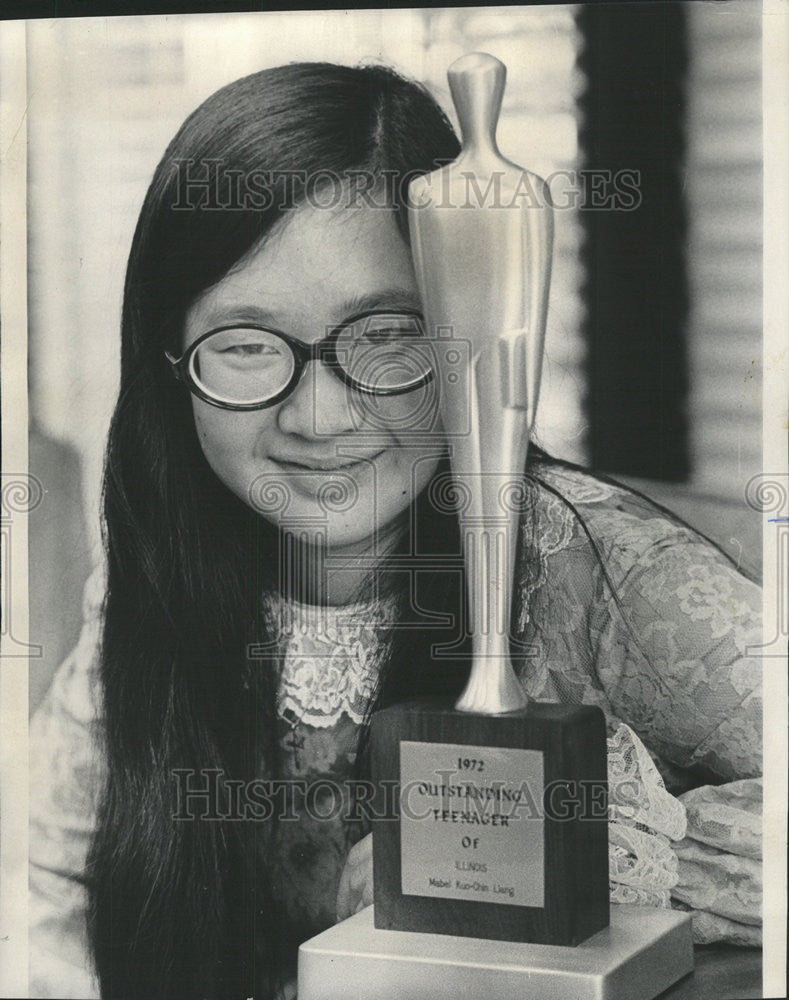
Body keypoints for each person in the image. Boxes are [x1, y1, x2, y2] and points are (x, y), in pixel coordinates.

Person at [29, 62, 762, 1000]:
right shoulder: (168, 570)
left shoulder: (602, 571)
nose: (320, 418)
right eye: (248, 346)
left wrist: (569, 846)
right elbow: (38, 882)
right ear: (170, 367)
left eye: (383, 336)